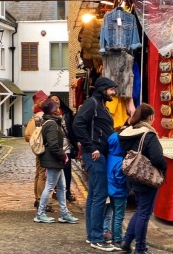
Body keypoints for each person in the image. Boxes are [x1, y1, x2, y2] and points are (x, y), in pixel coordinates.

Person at [72, 77, 117, 252]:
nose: (113, 93)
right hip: (95, 155)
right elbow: (77, 124)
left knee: (93, 196)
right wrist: (91, 147)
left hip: (98, 154)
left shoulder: (100, 105)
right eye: (111, 90)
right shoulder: (92, 103)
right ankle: (97, 238)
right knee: (100, 195)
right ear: (103, 89)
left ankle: (92, 235)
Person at [118, 103, 167, 254]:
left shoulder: (128, 132)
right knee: (144, 213)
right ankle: (140, 248)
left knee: (140, 211)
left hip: (133, 176)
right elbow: (158, 159)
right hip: (147, 178)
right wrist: (164, 167)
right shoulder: (148, 135)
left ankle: (127, 242)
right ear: (151, 117)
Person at [34, 98, 79, 224]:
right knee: (49, 187)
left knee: (62, 187)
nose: (59, 108)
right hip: (53, 159)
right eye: (56, 106)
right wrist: (63, 156)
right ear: (54, 110)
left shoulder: (50, 122)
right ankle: (40, 213)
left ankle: (64, 213)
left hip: (55, 159)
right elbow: (53, 145)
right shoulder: (51, 124)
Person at [24, 90, 54, 211]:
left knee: (38, 173)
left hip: (37, 148)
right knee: (42, 174)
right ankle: (42, 200)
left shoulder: (34, 114)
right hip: (43, 148)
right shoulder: (41, 115)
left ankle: (37, 198)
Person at [49, 94, 78, 202]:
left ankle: (67, 191)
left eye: (57, 99)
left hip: (66, 145)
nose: (56, 101)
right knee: (56, 169)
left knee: (67, 168)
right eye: (52, 100)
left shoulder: (67, 113)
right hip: (55, 145)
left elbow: (72, 129)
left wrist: (76, 142)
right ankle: (56, 190)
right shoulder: (48, 114)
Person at [107, 132, 129, 249]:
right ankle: (118, 239)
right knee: (119, 216)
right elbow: (121, 179)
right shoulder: (121, 160)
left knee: (114, 214)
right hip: (119, 191)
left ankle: (114, 235)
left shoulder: (110, 156)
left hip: (111, 190)